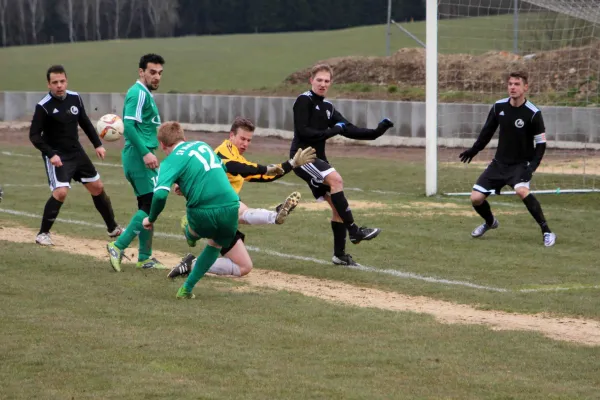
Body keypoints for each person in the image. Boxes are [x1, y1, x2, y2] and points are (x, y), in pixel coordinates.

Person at [168, 116, 316, 278]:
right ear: (231, 136)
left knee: (243, 267)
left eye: (249, 140)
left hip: (225, 212)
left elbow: (263, 175)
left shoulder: (239, 158)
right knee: (242, 212)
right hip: (210, 210)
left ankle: (192, 264)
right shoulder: (221, 152)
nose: (245, 143)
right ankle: (275, 216)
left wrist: (292, 164)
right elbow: (236, 167)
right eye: (242, 139)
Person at [291, 64, 394, 267]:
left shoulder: (328, 107)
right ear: (310, 80)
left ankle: (340, 255)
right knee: (336, 179)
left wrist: (377, 131)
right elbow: (305, 132)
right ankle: (354, 231)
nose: (322, 84)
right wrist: (333, 131)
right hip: (303, 158)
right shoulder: (303, 100)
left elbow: (349, 129)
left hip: (319, 160)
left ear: (331, 83)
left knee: (337, 209)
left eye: (326, 81)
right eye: (319, 80)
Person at [142, 121, 241, 299]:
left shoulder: (170, 160)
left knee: (195, 232)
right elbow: (220, 168)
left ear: (163, 145)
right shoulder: (203, 145)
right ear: (184, 138)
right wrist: (186, 184)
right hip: (232, 205)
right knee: (216, 244)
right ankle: (186, 289)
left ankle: (190, 232)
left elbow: (160, 196)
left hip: (202, 211)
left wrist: (151, 219)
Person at [459, 70, 556, 247]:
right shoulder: (498, 107)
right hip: (499, 164)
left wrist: (532, 167)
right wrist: (474, 150)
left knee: (521, 191)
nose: (512, 87)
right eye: (510, 84)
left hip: (520, 165)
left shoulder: (533, 113)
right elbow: (487, 132)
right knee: (475, 198)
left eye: (517, 84)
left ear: (525, 87)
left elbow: (541, 144)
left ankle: (547, 231)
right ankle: (490, 223)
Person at [29, 65, 122, 246]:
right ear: (49, 84)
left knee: (97, 187)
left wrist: (97, 144)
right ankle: (43, 234)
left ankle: (113, 228)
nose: (59, 85)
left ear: (66, 81)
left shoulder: (74, 98)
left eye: (62, 81)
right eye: (55, 82)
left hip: (76, 152)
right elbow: (33, 135)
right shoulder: (43, 106)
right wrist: (50, 154)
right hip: (57, 155)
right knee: (61, 192)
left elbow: (85, 121)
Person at [106, 54, 168, 271]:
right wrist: (145, 153)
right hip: (137, 156)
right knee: (151, 205)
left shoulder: (144, 94)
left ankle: (144, 257)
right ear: (141, 72)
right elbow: (129, 127)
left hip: (139, 155)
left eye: (160, 72)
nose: (156, 76)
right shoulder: (138, 93)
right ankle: (117, 245)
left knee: (146, 205)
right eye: (152, 72)